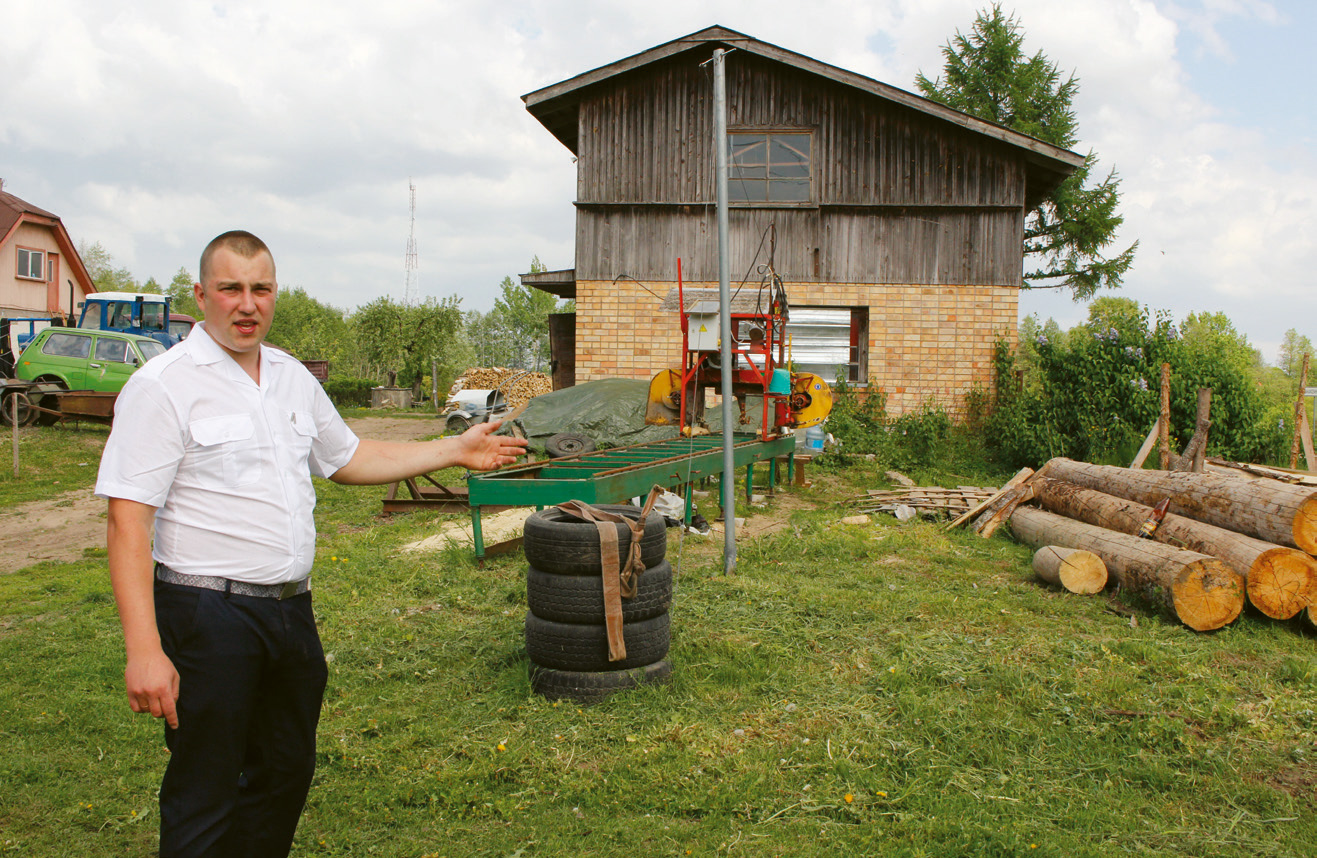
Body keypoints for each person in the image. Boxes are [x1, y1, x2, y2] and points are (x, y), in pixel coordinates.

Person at [96, 230, 528, 858]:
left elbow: (348, 457)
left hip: (289, 612)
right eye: (231, 289)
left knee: (283, 775)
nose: (248, 304)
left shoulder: (291, 377)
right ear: (201, 294)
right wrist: (144, 650)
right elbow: (127, 521)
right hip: (207, 615)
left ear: (275, 293)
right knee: (207, 788)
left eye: (261, 289)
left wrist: (454, 449)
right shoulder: (163, 386)